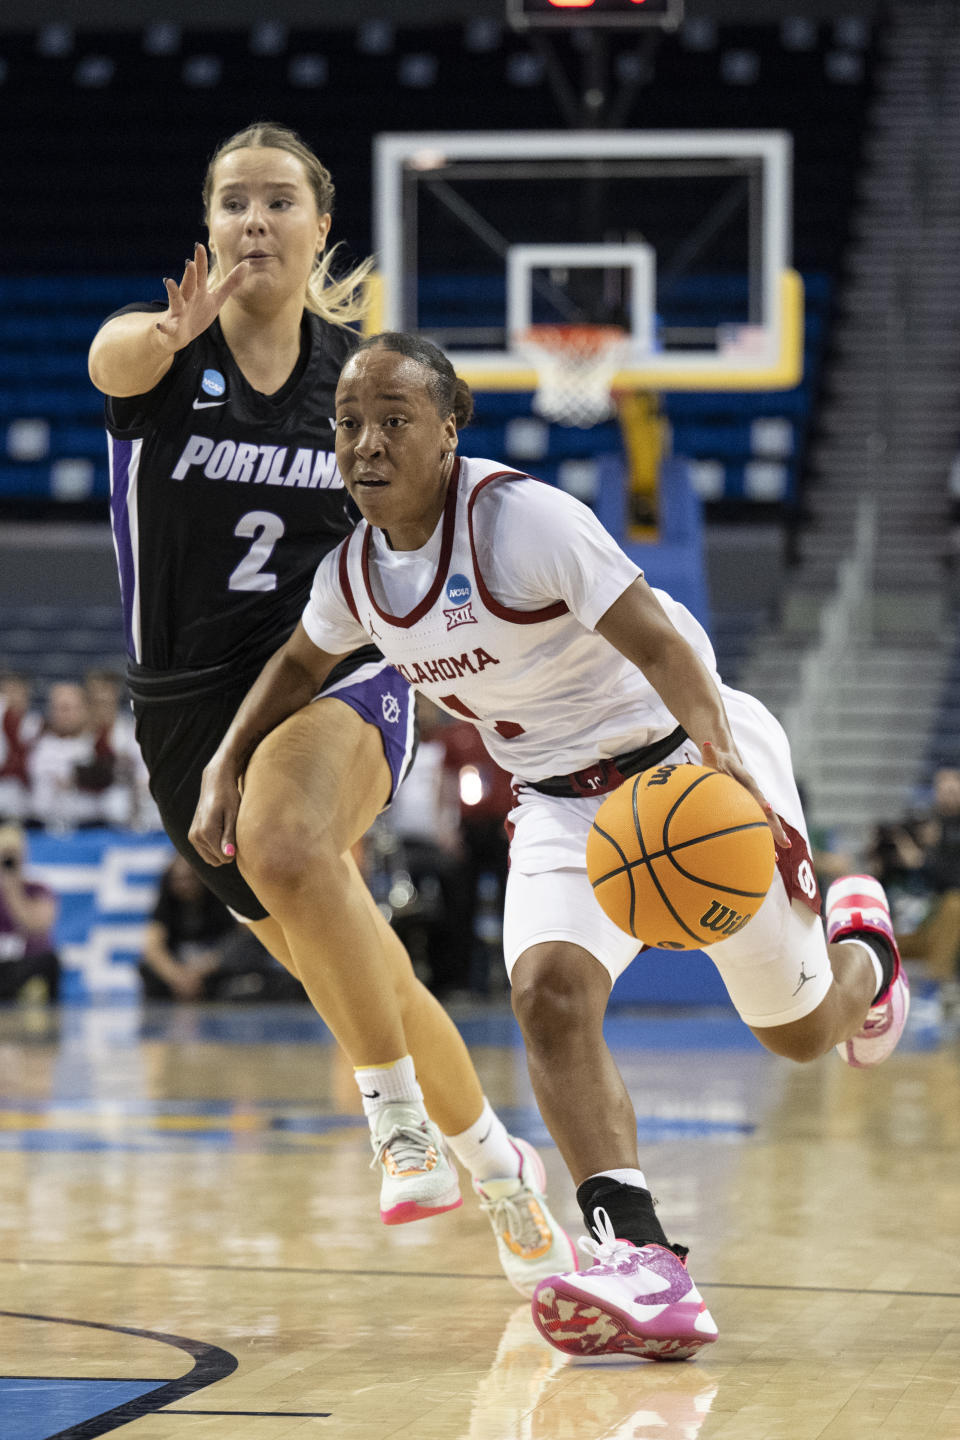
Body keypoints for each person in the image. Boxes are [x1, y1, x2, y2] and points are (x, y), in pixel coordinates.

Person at [190, 331, 911, 1361]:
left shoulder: (522, 521)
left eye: (394, 418)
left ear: (450, 428)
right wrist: (227, 760)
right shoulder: (355, 572)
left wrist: (720, 756)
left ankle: (866, 952)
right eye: (350, 421)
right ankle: (642, 1261)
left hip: (683, 766)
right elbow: (300, 663)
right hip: (562, 808)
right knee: (548, 999)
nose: (367, 441)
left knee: (800, 1034)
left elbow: (662, 643)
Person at [87, 123, 571, 1294]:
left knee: (291, 836)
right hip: (185, 718)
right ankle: (501, 1166)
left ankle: (395, 1124)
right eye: (233, 204)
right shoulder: (159, 362)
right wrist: (163, 330)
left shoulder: (360, 384)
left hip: (333, 677)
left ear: (318, 230)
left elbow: (429, 534)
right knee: (373, 983)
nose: (254, 221)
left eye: (278, 203)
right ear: (207, 229)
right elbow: (108, 359)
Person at [28, 682, 133, 830]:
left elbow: (111, 775)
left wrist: (78, 776)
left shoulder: (100, 742)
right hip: (44, 828)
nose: (62, 715)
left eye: (67, 709)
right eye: (57, 708)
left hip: (96, 827)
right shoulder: (39, 743)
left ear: (85, 709)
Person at [140, 853, 239, 1000]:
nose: (185, 886)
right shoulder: (167, 901)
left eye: (190, 879)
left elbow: (239, 938)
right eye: (179, 880)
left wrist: (200, 970)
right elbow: (153, 947)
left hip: (212, 966)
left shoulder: (218, 897)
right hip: (180, 967)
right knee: (147, 968)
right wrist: (177, 976)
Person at [0, 819, 60, 1004]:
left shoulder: (37, 888)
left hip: (24, 962)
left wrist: (12, 889)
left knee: (49, 961)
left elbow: (36, 925)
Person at [0, 673, 43, 823]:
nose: (13, 698)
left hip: (27, 794)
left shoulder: (35, 723)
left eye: (18, 692)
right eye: (8, 692)